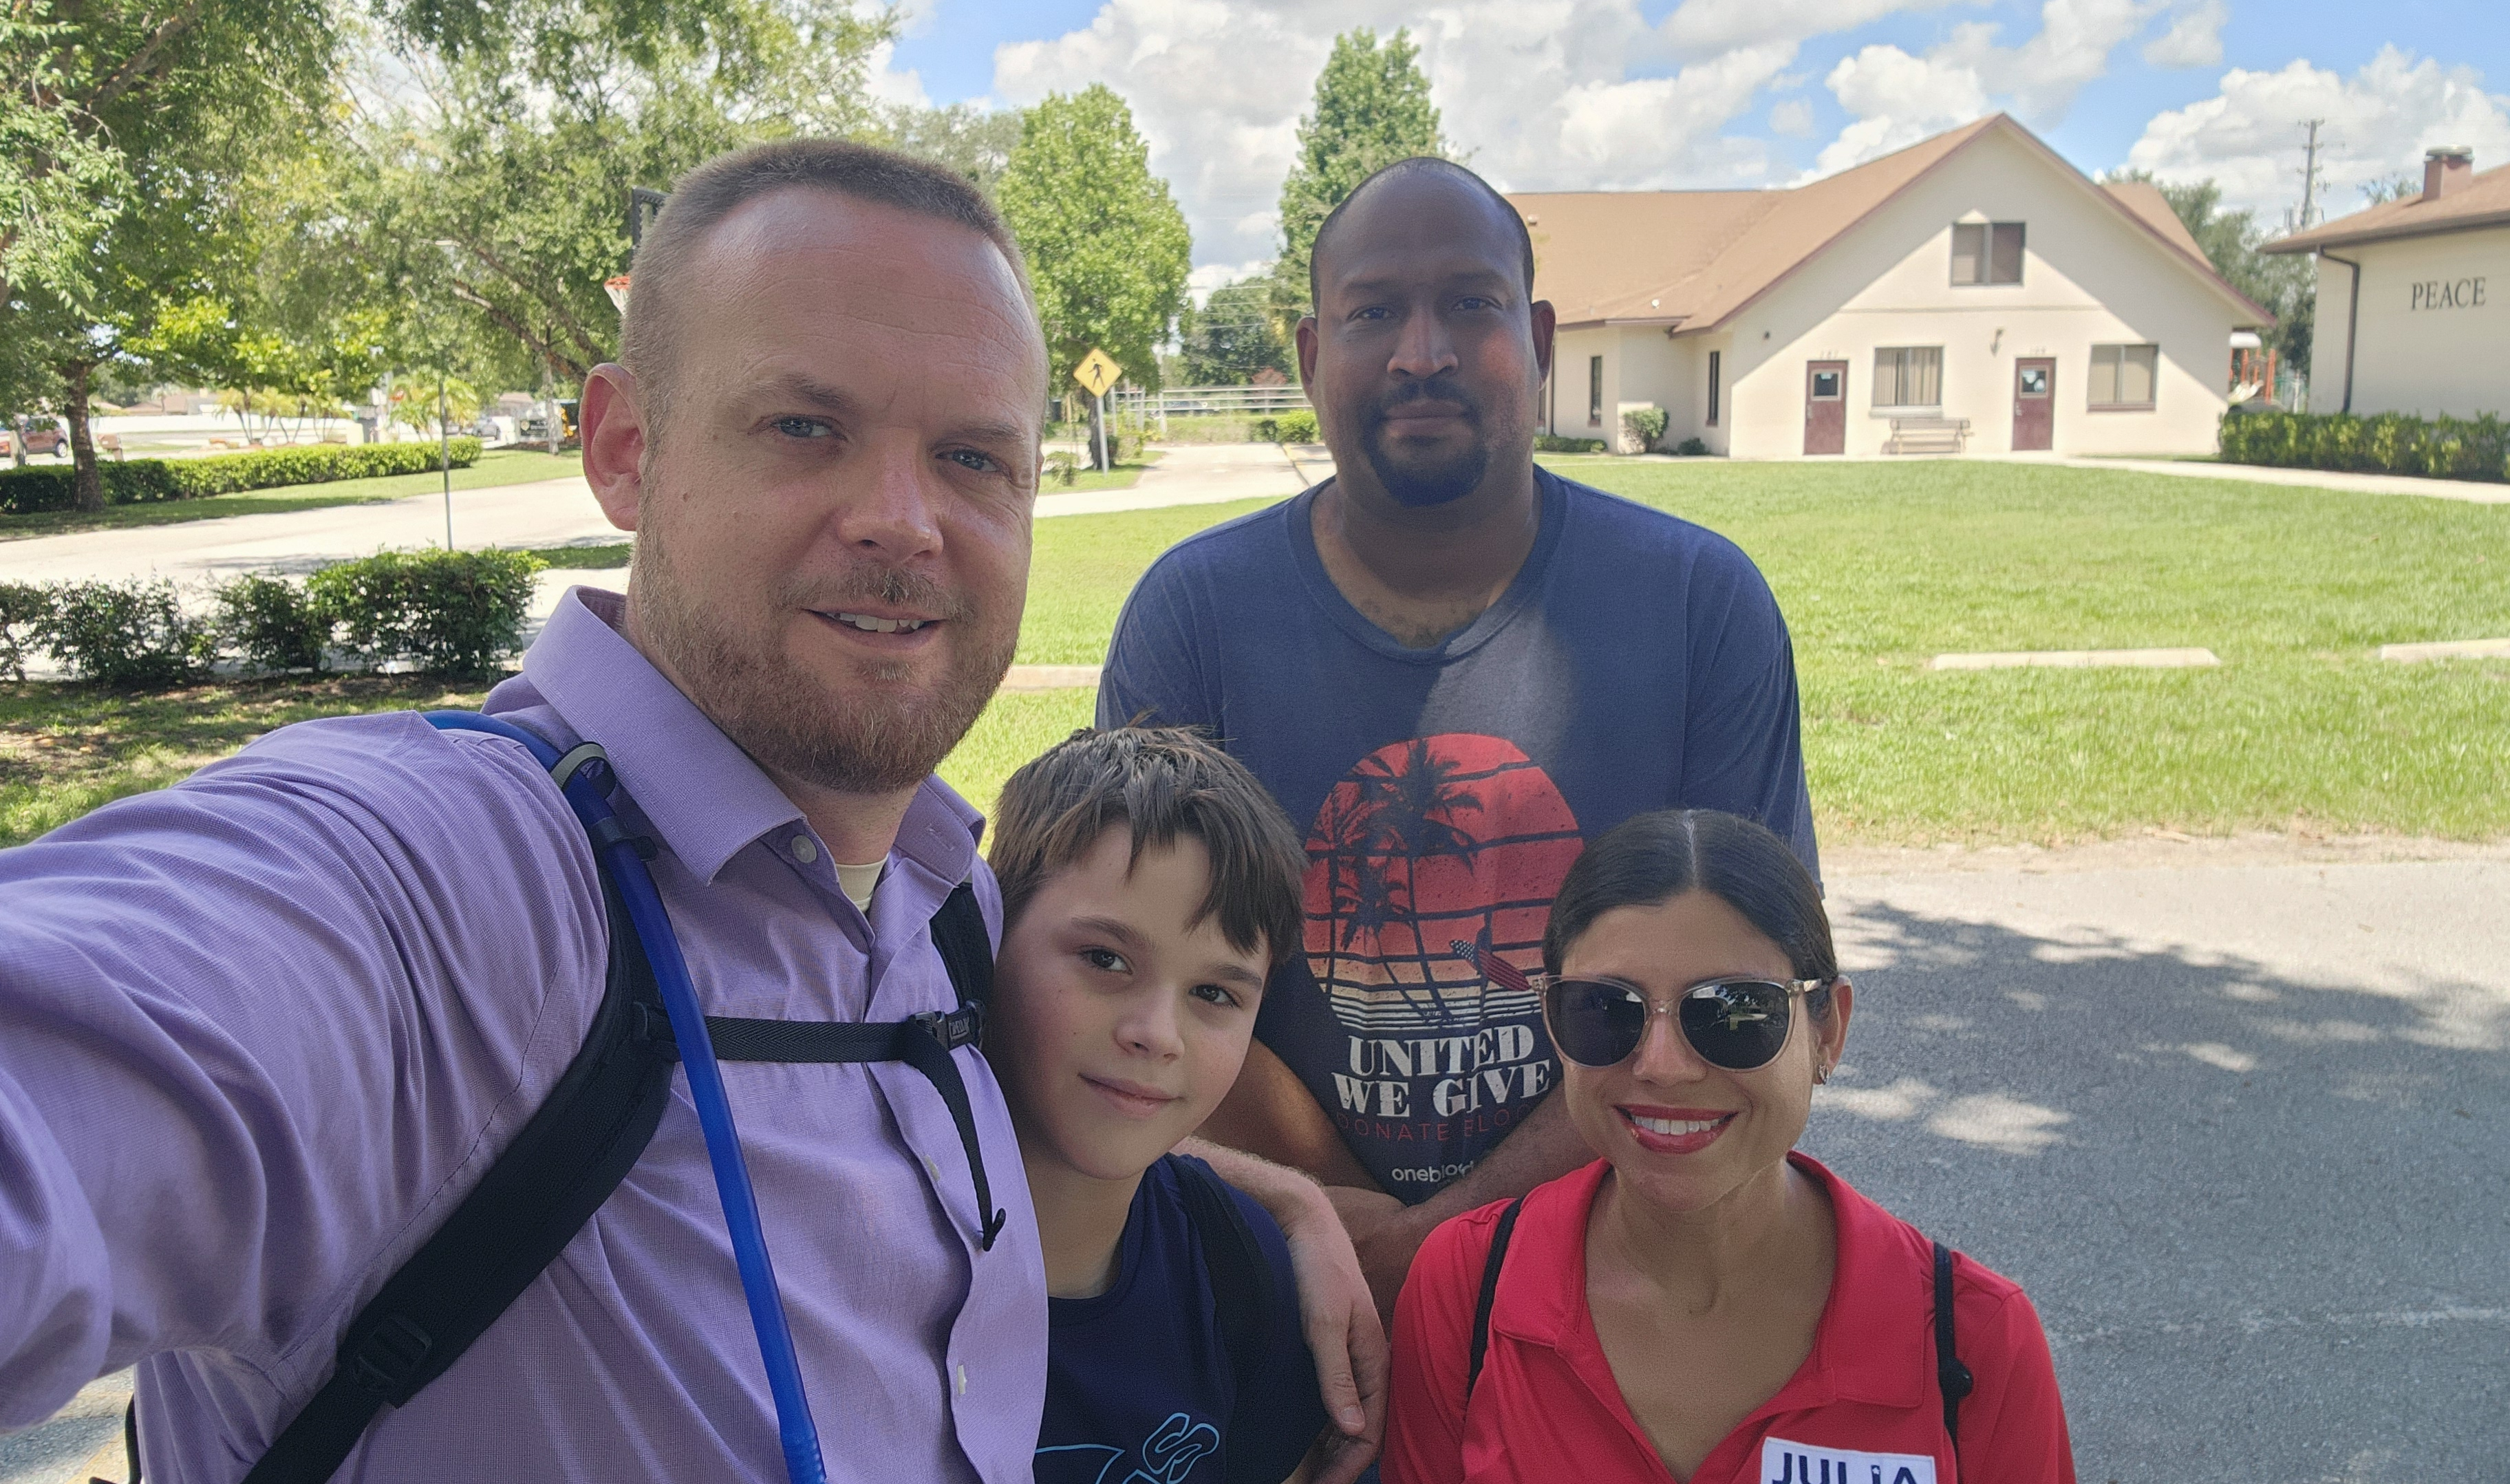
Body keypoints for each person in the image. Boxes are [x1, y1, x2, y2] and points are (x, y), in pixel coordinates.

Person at [0, 139, 1378, 1484]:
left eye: (972, 457)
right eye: (805, 427)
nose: (903, 520)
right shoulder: (445, 888)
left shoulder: (943, 903)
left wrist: (1272, 1202)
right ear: (623, 446)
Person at [1096, 155, 1817, 1315]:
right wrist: (1344, 1222)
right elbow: (1146, 987)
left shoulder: (1699, 606)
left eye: (1470, 304)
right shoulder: (1193, 618)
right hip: (1279, 1270)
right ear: (1309, 354)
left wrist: (1446, 1239)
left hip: (1619, 1284)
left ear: (1537, 340)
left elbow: (1739, 991)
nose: (1421, 352)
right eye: (1373, 311)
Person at [1383, 810, 2075, 1483]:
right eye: (1605, 1009)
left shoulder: (1976, 1340)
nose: (1663, 1065)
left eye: (1733, 1011)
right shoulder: (1467, 1287)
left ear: (1828, 1032)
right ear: (1551, 1022)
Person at [986, 727, 1331, 1483]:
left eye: (1215, 992)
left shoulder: (1238, 1269)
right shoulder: (859, 1265)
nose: (1157, 1033)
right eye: (1105, 959)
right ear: (989, 934)